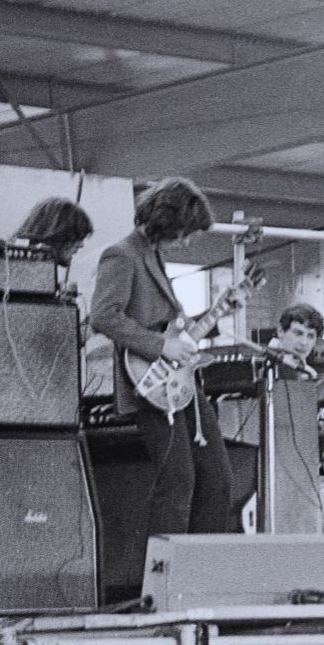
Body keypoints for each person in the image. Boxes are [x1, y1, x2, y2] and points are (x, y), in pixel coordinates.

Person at [90, 177, 234, 540]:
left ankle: (203, 568)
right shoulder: (122, 254)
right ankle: (164, 577)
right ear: (165, 221)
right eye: (183, 233)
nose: (185, 243)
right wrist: (160, 347)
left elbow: (170, 326)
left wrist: (218, 312)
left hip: (177, 381)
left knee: (217, 478)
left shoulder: (150, 254)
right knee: (177, 483)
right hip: (149, 385)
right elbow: (104, 316)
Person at [13, 197, 93, 267]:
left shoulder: (14, 262)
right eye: (77, 237)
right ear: (56, 234)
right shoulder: (30, 270)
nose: (81, 245)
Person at [269, 302, 324, 369]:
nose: (304, 342)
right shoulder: (261, 367)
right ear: (280, 331)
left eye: (310, 336)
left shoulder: (304, 369)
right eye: (298, 333)